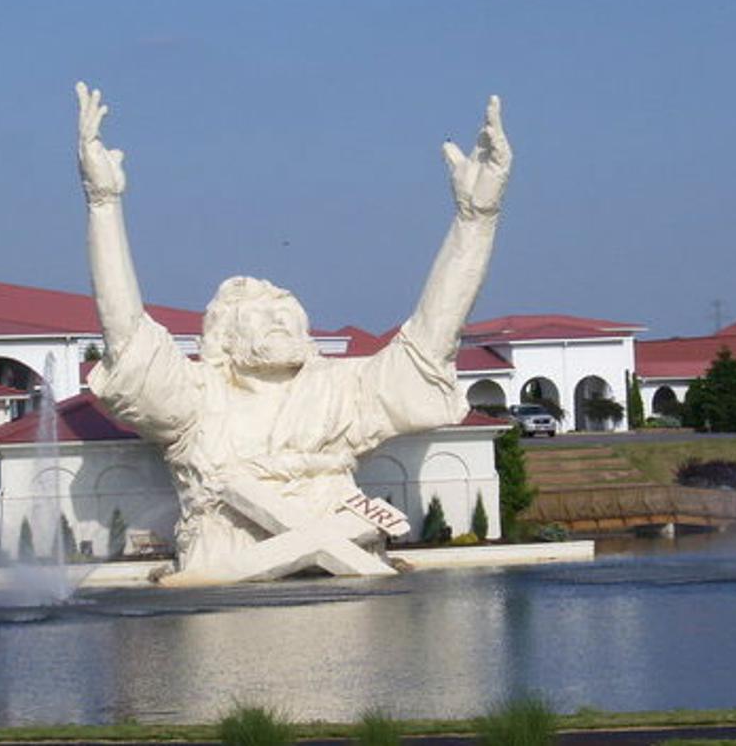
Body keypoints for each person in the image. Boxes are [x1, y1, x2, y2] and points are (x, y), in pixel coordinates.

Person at [76, 82, 512, 574]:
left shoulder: (343, 392)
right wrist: (103, 205)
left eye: (287, 310)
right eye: (261, 314)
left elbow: (431, 339)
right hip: (227, 598)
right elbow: (128, 339)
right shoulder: (197, 400)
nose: (280, 319)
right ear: (225, 337)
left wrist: (476, 220)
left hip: (349, 591)